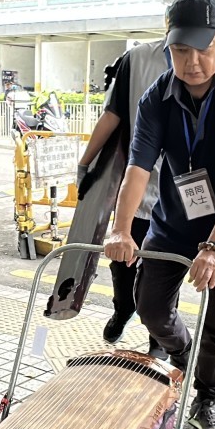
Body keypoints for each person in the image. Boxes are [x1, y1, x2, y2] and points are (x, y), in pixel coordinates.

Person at [104, 0, 215, 429]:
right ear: (168, 44)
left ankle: (207, 400)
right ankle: (180, 350)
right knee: (151, 305)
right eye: (181, 51)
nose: (193, 63)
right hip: (174, 224)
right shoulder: (157, 96)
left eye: (203, 49)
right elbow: (137, 169)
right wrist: (120, 229)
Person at [77, 36, 169, 356]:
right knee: (122, 264)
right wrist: (85, 162)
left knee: (160, 275)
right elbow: (113, 114)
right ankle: (123, 308)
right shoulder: (138, 59)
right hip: (135, 187)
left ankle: (158, 338)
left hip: (179, 201)